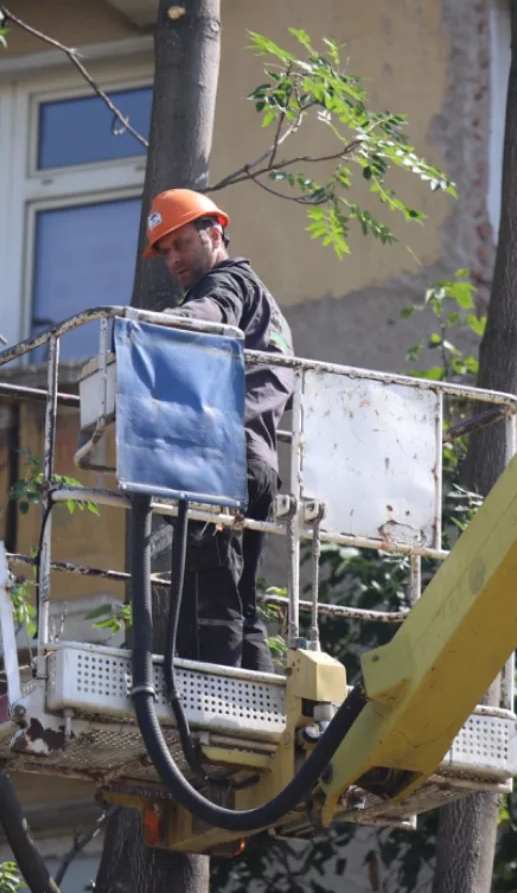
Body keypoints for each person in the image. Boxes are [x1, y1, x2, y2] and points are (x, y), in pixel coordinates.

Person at [143, 188, 294, 674]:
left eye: (180, 244)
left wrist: (148, 327)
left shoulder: (229, 285)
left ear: (213, 233)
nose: (172, 260)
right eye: (164, 251)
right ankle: (254, 697)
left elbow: (211, 314)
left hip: (222, 459)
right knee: (239, 597)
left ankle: (214, 701)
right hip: (256, 464)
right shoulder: (265, 303)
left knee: (210, 596)